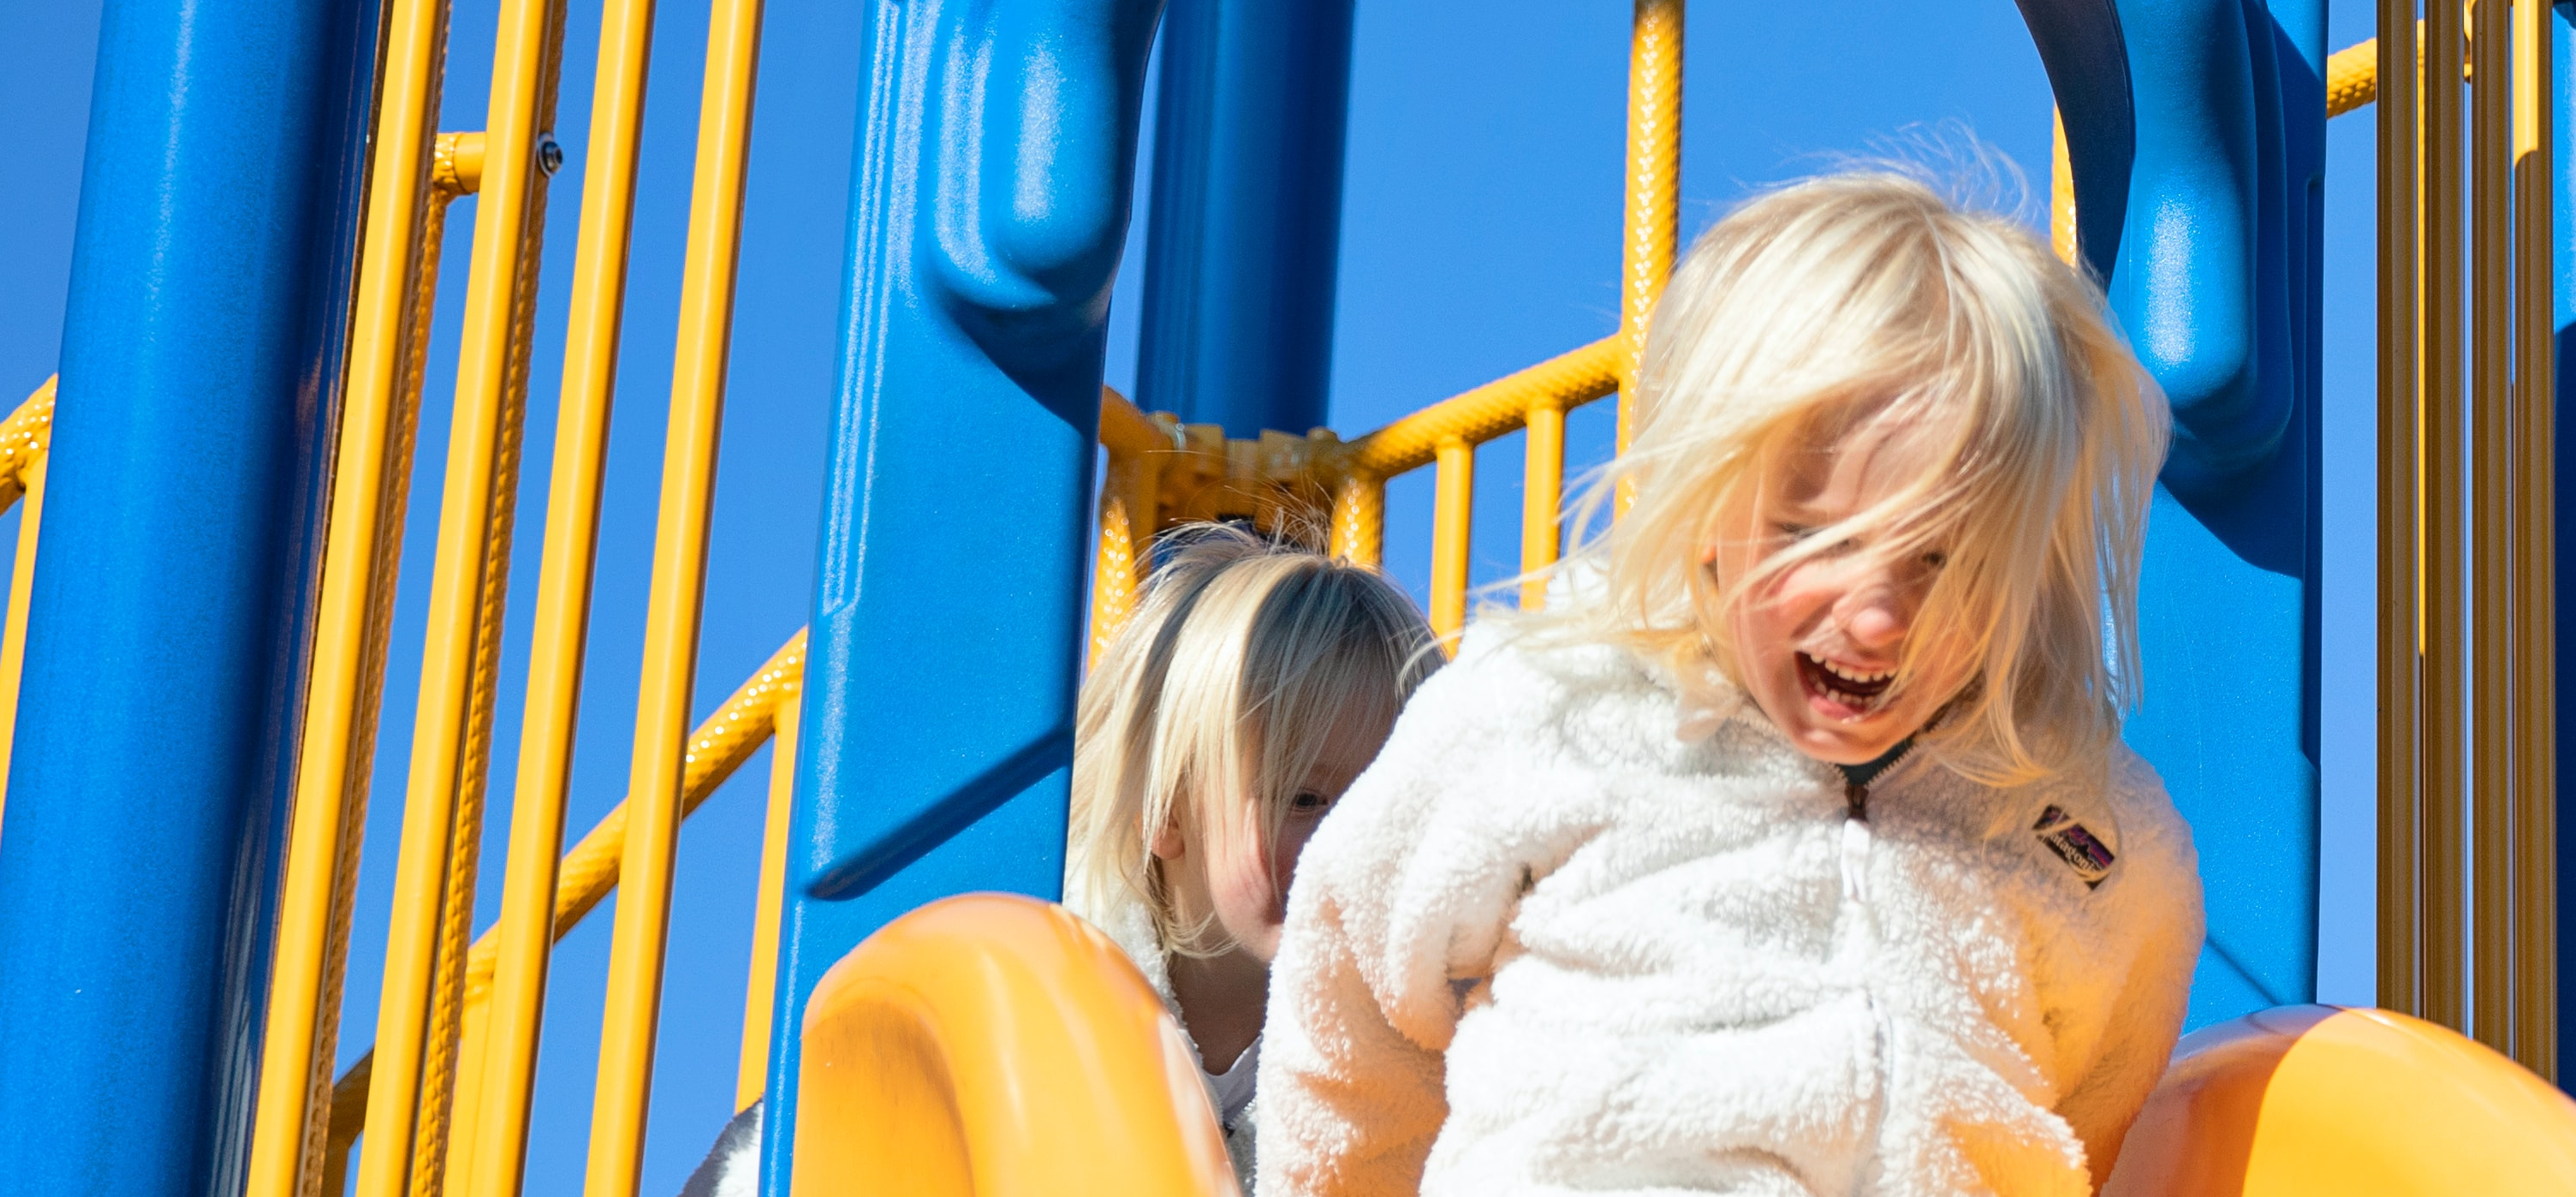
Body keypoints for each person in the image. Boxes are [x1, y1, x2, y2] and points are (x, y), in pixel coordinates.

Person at [1248, 168, 2203, 1197]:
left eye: (1944, 560)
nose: (1878, 616)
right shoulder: (1557, 709)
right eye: (1815, 535)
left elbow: (2104, 1098)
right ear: (1704, 500)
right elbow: (1351, 990)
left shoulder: (2081, 820)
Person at [677, 526, 1438, 1197]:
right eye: (1305, 798)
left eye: (1385, 803)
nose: (1352, 841)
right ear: (1164, 811)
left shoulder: (1400, 1065)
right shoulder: (1035, 998)